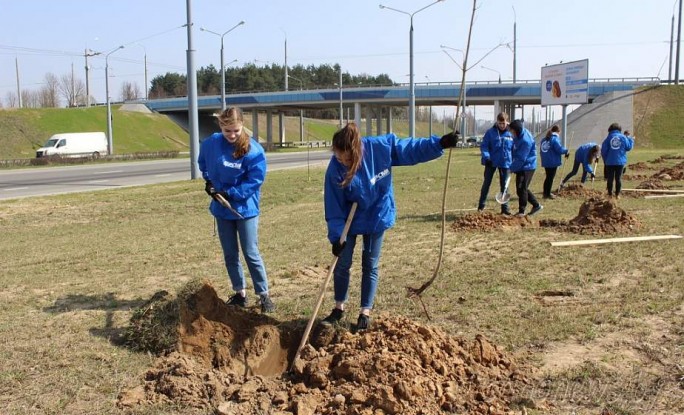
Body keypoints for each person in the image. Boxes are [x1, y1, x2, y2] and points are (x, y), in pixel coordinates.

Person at [322, 123, 459, 331]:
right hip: (349, 219)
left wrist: (439, 143)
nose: (342, 162)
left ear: (357, 150)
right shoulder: (335, 168)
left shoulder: (381, 148)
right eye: (339, 158)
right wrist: (336, 237)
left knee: (370, 263)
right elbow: (334, 207)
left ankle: (364, 312)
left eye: (347, 159)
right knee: (343, 263)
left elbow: (410, 149)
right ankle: (339, 307)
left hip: (377, 213)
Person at [198, 107, 274, 313]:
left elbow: (255, 180)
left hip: (245, 209)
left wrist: (231, 193)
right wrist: (209, 183)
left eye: (236, 131)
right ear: (221, 127)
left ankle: (264, 294)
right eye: (227, 131)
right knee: (230, 254)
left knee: (250, 252)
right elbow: (203, 163)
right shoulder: (211, 144)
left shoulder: (254, 150)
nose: (232, 135)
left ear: (242, 127)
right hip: (221, 209)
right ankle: (240, 293)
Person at [478, 112, 514, 215]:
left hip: (506, 163)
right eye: (500, 123)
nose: (502, 126)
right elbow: (484, 146)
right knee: (486, 184)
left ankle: (505, 209)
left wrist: (514, 162)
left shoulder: (511, 133)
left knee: (505, 186)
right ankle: (481, 206)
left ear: (507, 122)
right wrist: (487, 157)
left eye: (504, 123)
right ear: (497, 122)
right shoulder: (490, 132)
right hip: (491, 162)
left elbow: (513, 149)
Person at [509, 119, 543, 217]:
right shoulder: (518, 134)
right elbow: (515, 149)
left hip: (527, 166)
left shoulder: (525, 140)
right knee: (522, 188)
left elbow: (521, 158)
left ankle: (521, 211)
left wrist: (511, 168)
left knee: (521, 188)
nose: (511, 133)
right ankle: (536, 205)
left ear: (516, 130)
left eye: (512, 131)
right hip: (522, 165)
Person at [601, 122, 634, 199]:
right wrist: (631, 140)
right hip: (620, 162)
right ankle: (617, 195)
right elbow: (628, 147)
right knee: (618, 178)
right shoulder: (623, 137)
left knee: (610, 179)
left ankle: (610, 194)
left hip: (609, 162)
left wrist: (606, 160)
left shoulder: (608, 138)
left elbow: (603, 151)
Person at [539, 125, 569, 199]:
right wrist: (566, 151)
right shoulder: (554, 139)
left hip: (546, 161)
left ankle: (545, 193)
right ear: (558, 132)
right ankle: (548, 194)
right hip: (552, 161)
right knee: (550, 178)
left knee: (548, 177)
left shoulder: (544, 139)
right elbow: (559, 149)